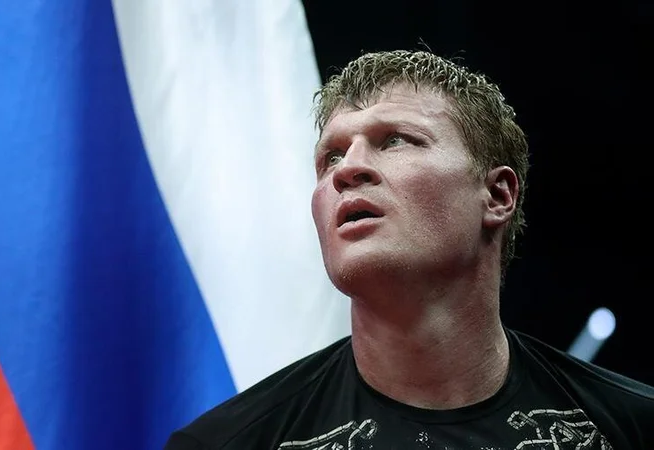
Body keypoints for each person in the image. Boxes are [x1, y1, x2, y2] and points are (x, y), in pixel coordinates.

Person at [163, 49, 654, 449]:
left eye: (395, 140)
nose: (346, 170)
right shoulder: (225, 444)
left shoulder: (633, 428)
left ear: (497, 195)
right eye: (331, 156)